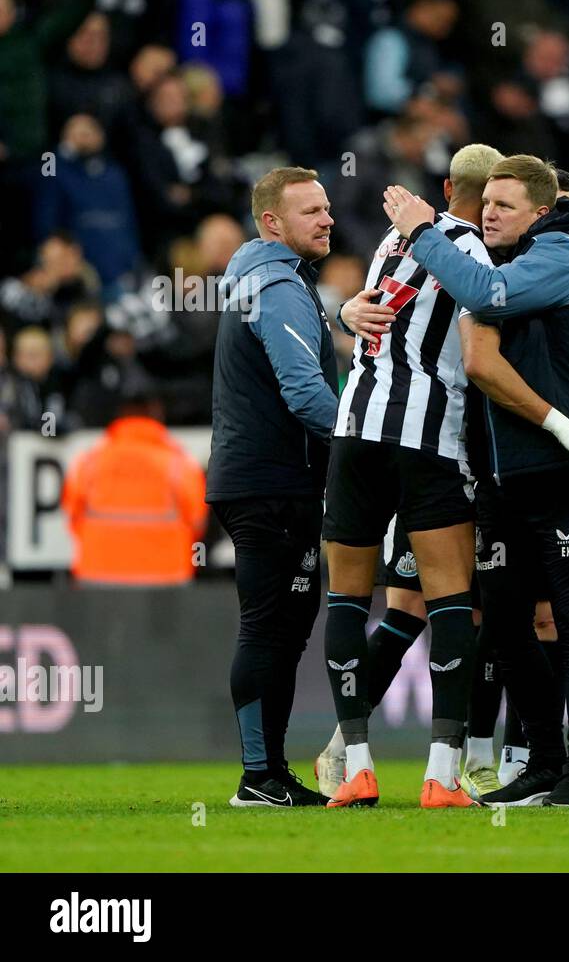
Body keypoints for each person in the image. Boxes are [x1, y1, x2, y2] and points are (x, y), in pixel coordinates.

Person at [383, 155, 569, 807]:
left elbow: (483, 296)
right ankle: (545, 761)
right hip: (503, 479)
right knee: (507, 627)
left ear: (541, 214)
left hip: (563, 471)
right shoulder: (510, 263)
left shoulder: (560, 255)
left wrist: (423, 231)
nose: (489, 213)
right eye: (486, 202)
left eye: (506, 205)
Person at [316, 143, 505, 811]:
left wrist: (343, 314)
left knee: (347, 599)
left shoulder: (393, 242)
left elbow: (369, 314)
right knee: (450, 601)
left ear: (449, 184)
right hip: (428, 436)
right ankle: (440, 775)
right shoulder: (476, 254)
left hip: (354, 430)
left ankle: (356, 767)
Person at [207, 166, 339, 808]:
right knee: (268, 626)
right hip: (270, 481)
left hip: (267, 479)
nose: (327, 219)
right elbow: (305, 393)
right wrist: (370, 439)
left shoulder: (266, 281)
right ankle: (256, 775)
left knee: (285, 625)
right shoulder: (278, 285)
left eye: (326, 207)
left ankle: (270, 772)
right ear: (272, 223)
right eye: (311, 211)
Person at [62, 381, 206, 585]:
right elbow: (198, 520)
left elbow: (71, 513)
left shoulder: (90, 461)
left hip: (97, 575)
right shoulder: (179, 463)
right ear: (156, 413)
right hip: (166, 578)